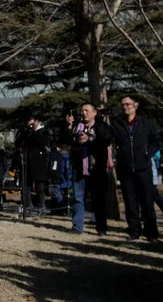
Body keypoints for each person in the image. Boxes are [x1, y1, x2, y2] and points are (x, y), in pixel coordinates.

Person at [111, 96, 160, 241]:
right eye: (123, 105)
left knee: (147, 201)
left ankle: (151, 232)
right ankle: (134, 231)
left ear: (136, 105)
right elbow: (108, 139)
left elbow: (155, 142)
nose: (125, 107)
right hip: (126, 169)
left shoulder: (146, 123)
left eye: (128, 104)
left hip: (143, 168)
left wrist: (147, 153)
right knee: (130, 201)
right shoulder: (117, 124)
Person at [65, 103, 112, 235]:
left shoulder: (101, 126)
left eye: (87, 110)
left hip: (96, 168)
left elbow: (106, 140)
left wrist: (89, 139)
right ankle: (77, 226)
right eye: (82, 111)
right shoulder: (77, 126)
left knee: (98, 200)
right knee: (78, 198)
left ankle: (101, 228)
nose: (84, 113)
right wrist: (69, 127)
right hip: (79, 169)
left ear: (94, 113)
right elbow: (68, 141)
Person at [16, 116, 50, 214]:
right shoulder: (27, 133)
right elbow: (18, 143)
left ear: (37, 121)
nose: (30, 126)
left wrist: (33, 134)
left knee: (39, 184)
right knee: (26, 184)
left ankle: (41, 206)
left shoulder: (44, 131)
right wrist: (23, 133)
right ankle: (28, 205)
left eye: (32, 123)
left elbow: (42, 142)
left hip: (39, 161)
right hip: (27, 161)